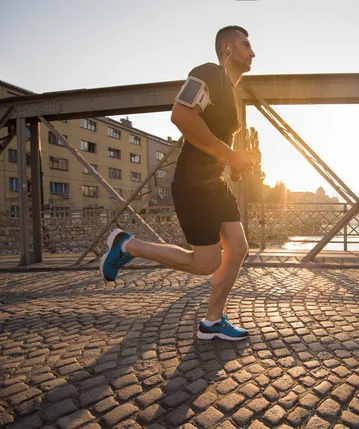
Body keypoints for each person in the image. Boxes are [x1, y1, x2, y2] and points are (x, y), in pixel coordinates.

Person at [100, 25, 256, 341]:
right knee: (206, 262)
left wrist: (235, 164)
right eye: (245, 45)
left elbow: (215, 141)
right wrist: (229, 154)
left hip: (214, 181)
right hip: (194, 182)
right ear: (227, 47)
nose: (252, 52)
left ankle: (213, 321)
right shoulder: (208, 73)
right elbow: (181, 117)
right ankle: (127, 245)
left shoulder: (231, 91)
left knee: (238, 248)